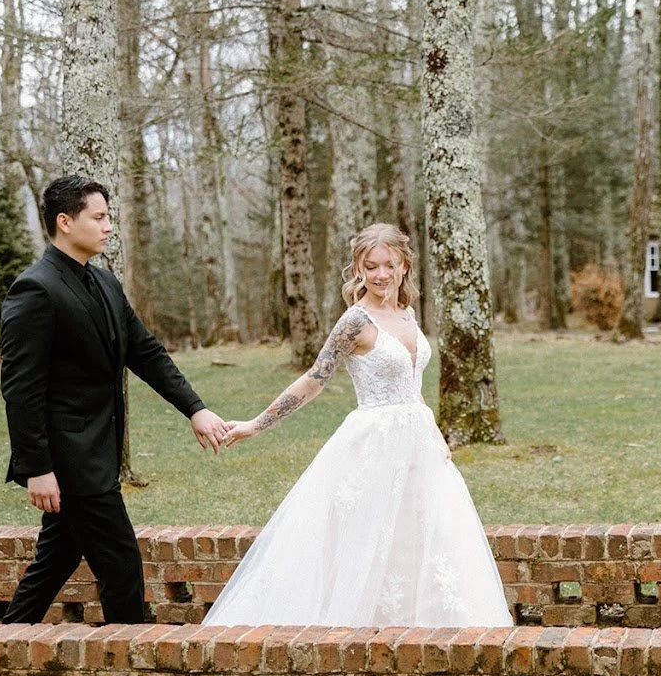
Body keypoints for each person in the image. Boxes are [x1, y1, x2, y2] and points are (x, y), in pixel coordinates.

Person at [203, 223, 513, 627]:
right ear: (358, 270)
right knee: (365, 539)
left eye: (389, 265)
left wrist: (435, 434)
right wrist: (255, 425)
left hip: (419, 446)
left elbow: (412, 386)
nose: (381, 274)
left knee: (421, 540)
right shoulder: (355, 322)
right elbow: (314, 379)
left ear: (404, 265)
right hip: (374, 444)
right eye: (371, 266)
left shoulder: (408, 314)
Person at [0, 174, 228, 625]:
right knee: (121, 564)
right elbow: (20, 389)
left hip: (97, 453)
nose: (108, 227)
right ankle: (135, 669)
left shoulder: (104, 282)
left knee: (55, 560)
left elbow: (145, 352)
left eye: (109, 217)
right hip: (69, 460)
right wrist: (37, 469)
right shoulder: (34, 289)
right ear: (65, 222)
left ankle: (4, 644)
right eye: (99, 217)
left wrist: (195, 408)